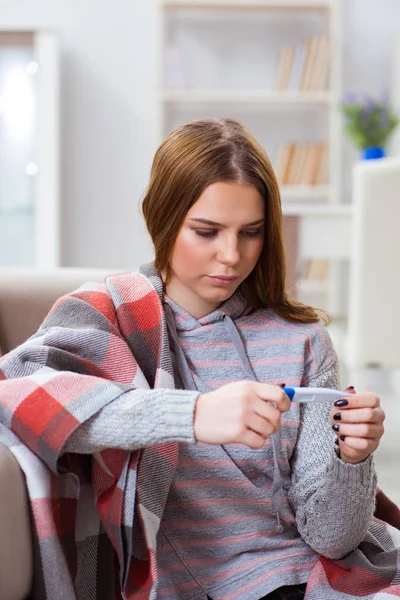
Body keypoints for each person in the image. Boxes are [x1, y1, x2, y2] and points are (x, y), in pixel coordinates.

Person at [0, 118, 393, 600]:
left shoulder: (303, 338)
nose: (231, 255)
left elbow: (332, 539)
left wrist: (351, 459)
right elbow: (17, 396)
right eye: (207, 232)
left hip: (319, 578)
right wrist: (192, 414)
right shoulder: (111, 314)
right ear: (161, 219)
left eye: (251, 232)